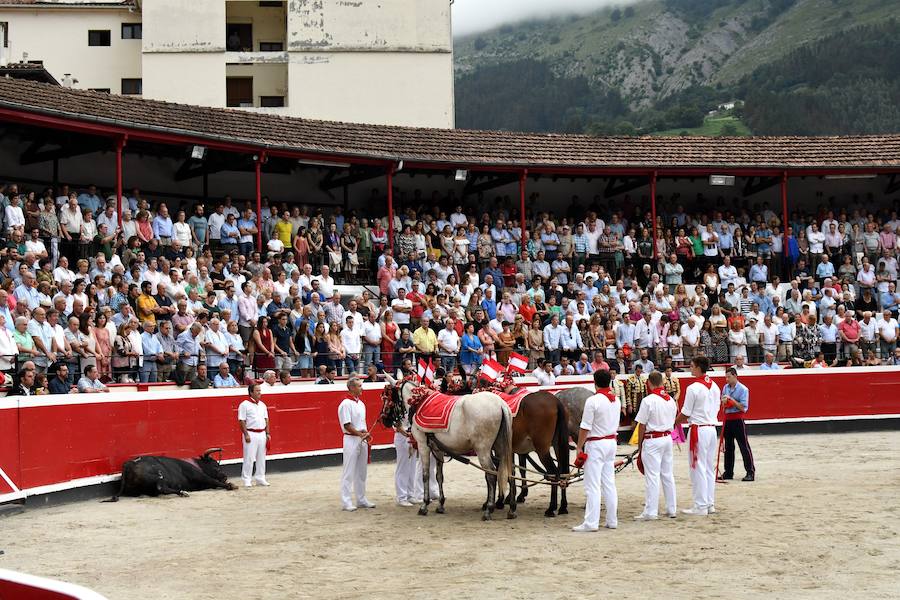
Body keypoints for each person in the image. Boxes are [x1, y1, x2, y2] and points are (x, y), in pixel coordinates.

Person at [572, 369, 619, 532]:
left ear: (595, 382)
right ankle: (612, 520)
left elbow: (585, 427)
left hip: (596, 443)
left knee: (592, 485)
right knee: (609, 483)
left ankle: (591, 522)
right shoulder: (616, 400)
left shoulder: (593, 401)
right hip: (611, 442)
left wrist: (579, 446)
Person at [674, 356, 720, 516]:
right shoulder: (714, 386)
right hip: (711, 429)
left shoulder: (693, 388)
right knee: (708, 467)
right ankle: (709, 503)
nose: (690, 368)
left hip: (698, 429)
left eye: (692, 366)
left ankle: (700, 506)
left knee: (697, 467)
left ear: (699, 367)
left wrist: (674, 422)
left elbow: (685, 413)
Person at [633, 370, 677, 521]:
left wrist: (640, 446)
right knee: (667, 474)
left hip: (653, 439)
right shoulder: (670, 399)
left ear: (649, 383)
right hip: (667, 438)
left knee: (652, 476)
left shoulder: (648, 400)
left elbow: (642, 425)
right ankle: (671, 508)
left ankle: (651, 511)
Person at [338, 377, 375, 511]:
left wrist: (364, 432)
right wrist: (360, 434)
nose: (362, 388)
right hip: (351, 439)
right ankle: (346, 501)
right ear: (352, 387)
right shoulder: (345, 404)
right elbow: (347, 425)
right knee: (348, 471)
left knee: (361, 471)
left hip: (361, 438)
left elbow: (361, 423)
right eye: (359, 386)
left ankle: (361, 498)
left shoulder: (361, 404)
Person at [721, 367, 755, 482]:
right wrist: (725, 402)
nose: (726, 379)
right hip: (728, 419)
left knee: (743, 446)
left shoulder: (743, 389)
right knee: (728, 447)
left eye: (728, 377)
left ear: (735, 376)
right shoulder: (725, 388)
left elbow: (743, 408)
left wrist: (732, 401)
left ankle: (750, 472)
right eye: (726, 377)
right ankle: (728, 472)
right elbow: (723, 404)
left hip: (738, 420)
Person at [238, 382, 270, 487]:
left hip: (261, 433)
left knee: (261, 457)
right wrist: (246, 434)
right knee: (249, 457)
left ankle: (260, 477)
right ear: (251, 392)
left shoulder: (262, 405)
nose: (259, 393)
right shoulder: (244, 405)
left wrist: (267, 433)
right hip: (250, 433)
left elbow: (267, 419)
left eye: (260, 391)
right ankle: (247, 479)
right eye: (257, 391)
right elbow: (241, 421)